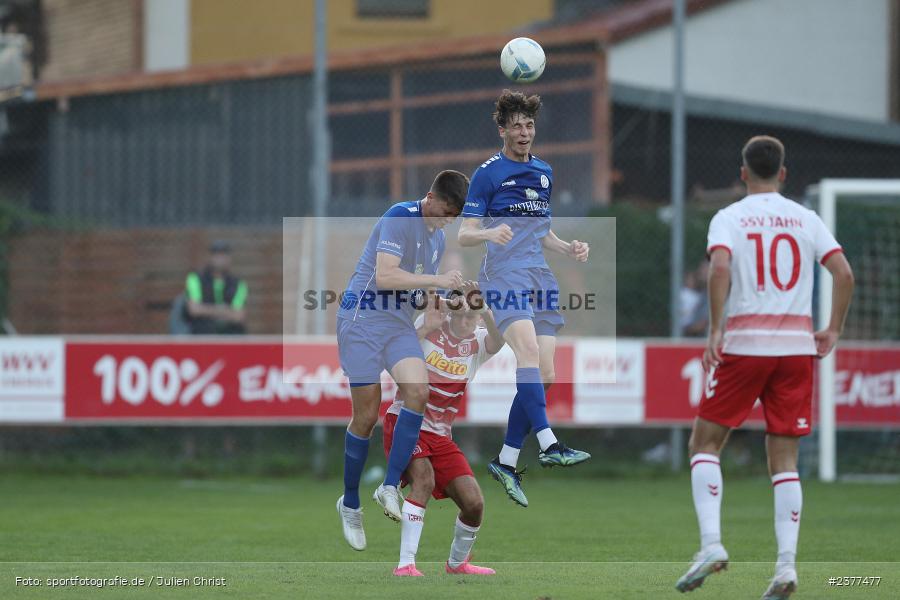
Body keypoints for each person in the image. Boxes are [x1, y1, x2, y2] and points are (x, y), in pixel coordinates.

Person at [675, 136, 854, 599]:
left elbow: (719, 269)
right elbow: (844, 273)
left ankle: (712, 545)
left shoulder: (729, 217)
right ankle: (786, 568)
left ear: (742, 173)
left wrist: (715, 331)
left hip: (746, 345)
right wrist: (831, 329)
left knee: (704, 442)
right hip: (796, 349)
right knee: (785, 461)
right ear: (784, 173)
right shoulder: (805, 217)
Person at [458, 90, 591, 508]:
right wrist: (487, 233)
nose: (524, 132)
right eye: (515, 125)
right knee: (528, 353)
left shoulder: (544, 173)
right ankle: (550, 443)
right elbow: (464, 232)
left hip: (540, 277)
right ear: (502, 130)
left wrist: (569, 247)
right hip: (503, 276)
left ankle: (507, 459)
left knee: (546, 373)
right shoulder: (488, 174)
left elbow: (543, 233)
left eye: (529, 125)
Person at [335, 170, 468, 551]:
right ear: (430, 197)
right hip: (361, 319)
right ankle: (350, 502)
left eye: (453, 217)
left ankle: (390, 486)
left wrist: (445, 300)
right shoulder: (400, 217)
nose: (446, 221)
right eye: (444, 211)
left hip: (395, 323)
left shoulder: (437, 238)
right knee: (366, 416)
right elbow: (386, 276)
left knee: (418, 391)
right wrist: (439, 282)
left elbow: (416, 295)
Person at [385, 286, 502, 577]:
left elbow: (499, 340)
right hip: (406, 420)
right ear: (450, 312)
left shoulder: (475, 345)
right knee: (423, 480)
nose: (465, 322)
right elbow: (396, 355)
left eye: (471, 318)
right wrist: (425, 327)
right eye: (460, 315)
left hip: (440, 435)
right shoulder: (430, 327)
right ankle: (405, 565)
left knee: (474, 503)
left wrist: (486, 311)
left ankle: (457, 564)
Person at [183, 241, 248, 334]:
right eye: (216, 255)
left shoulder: (238, 284)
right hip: (203, 333)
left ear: (229, 259)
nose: (220, 259)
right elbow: (194, 310)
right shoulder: (195, 279)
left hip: (230, 333)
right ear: (209, 258)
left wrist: (206, 310)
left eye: (223, 255)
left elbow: (239, 316)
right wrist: (224, 310)